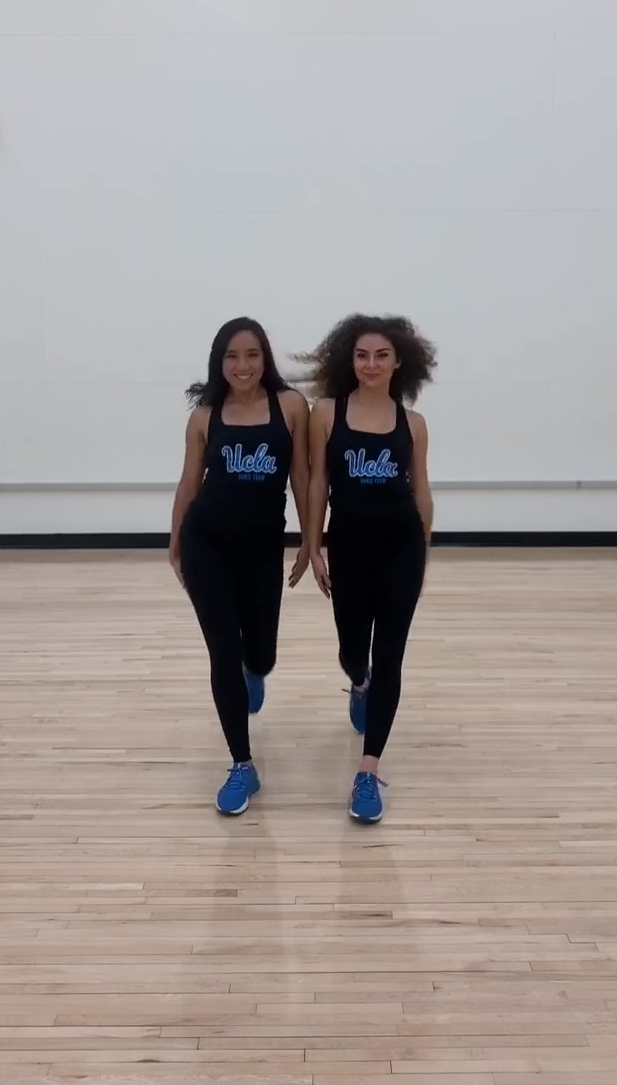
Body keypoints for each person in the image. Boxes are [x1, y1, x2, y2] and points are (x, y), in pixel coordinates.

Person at [169, 317, 310, 816]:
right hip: (207, 544)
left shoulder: (290, 407)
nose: (242, 365)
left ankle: (257, 669)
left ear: (264, 358)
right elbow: (189, 484)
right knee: (223, 652)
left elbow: (302, 477)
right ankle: (241, 765)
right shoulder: (205, 417)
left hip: (262, 550)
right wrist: (175, 541)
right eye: (232, 356)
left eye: (251, 355)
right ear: (219, 362)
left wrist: (311, 541)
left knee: (262, 653)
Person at [305, 314, 436, 823]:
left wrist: (424, 548)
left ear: (399, 362)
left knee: (391, 654)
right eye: (362, 355)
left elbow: (421, 489)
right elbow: (318, 482)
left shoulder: (413, 423)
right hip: (349, 547)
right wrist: (313, 544)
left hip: (401, 546)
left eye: (382, 355)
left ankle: (368, 770)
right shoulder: (326, 413)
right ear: (350, 360)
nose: (371, 364)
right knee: (352, 648)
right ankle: (358, 681)